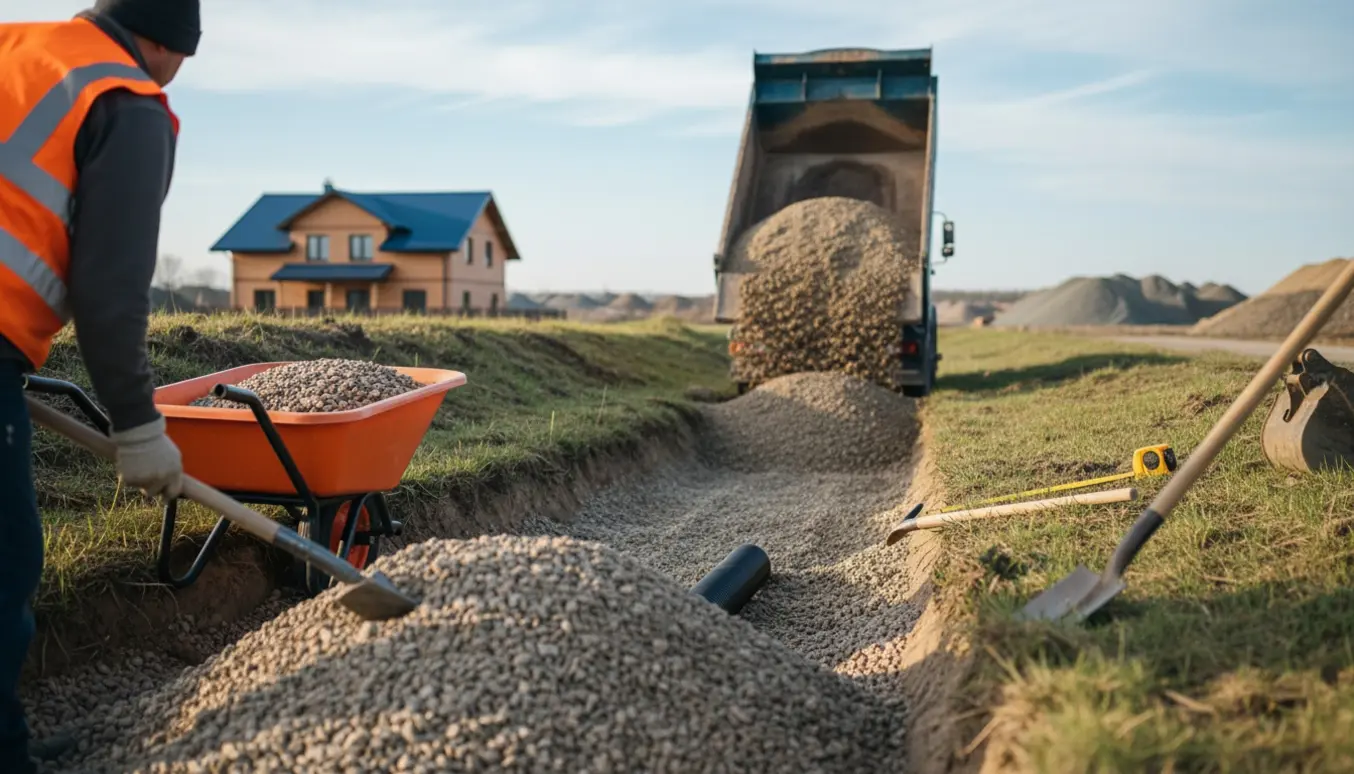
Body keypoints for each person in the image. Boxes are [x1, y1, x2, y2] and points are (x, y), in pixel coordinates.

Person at [0, 0, 200, 769]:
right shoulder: (125, 99)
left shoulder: (22, 44)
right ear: (165, 40)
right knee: (0, 563)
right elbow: (111, 294)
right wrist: (139, 425)